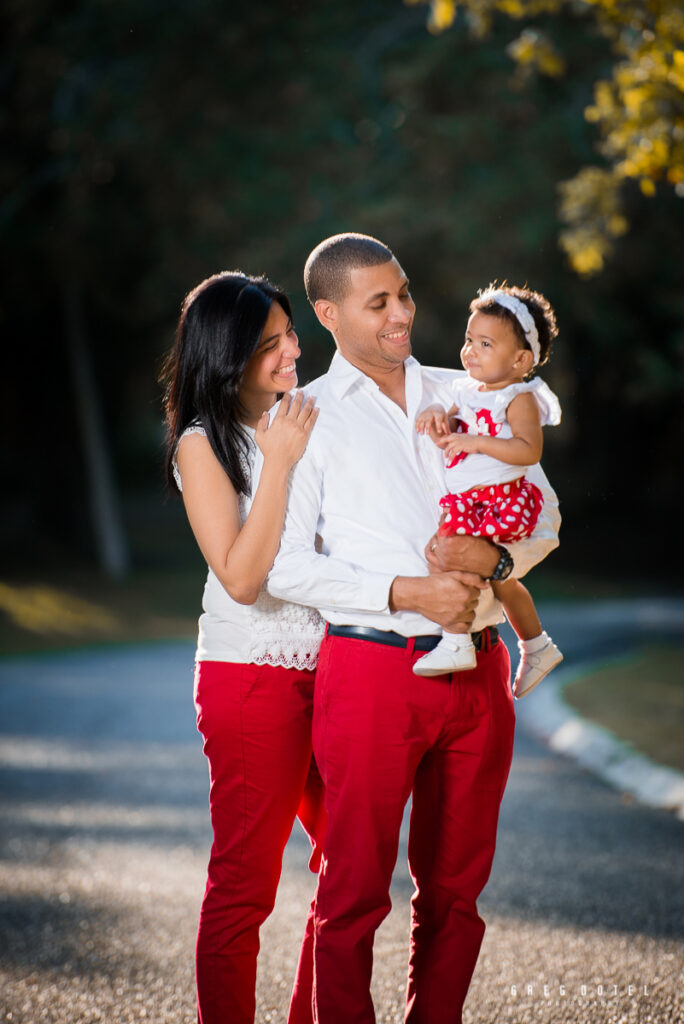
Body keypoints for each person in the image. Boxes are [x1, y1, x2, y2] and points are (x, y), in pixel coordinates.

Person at [267, 233, 560, 1023]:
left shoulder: (469, 389)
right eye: (379, 302)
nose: (404, 314)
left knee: (459, 893)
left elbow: (546, 511)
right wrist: (408, 592)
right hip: (370, 674)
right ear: (329, 314)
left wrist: (498, 561)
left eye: (404, 293)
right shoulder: (306, 419)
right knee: (354, 891)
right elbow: (283, 566)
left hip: (478, 675)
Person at [160, 270, 326, 1024]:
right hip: (250, 676)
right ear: (227, 356)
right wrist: (282, 462)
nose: (292, 350)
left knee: (350, 866)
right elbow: (241, 577)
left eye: (291, 332)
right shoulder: (204, 443)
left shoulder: (310, 415)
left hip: (339, 668)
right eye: (269, 344)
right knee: (246, 884)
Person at [412, 284, 563, 695]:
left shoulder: (518, 397)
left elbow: (528, 450)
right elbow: (453, 410)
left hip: (500, 502)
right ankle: (537, 645)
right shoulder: (465, 389)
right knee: (497, 581)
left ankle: (458, 641)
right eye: (468, 339)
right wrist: (436, 412)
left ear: (520, 359)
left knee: (449, 556)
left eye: (484, 343)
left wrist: (477, 442)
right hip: (470, 500)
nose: (470, 351)